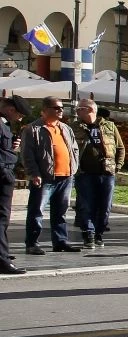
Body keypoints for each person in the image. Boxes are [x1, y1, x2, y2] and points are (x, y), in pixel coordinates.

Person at [20, 96, 81, 255]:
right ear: (45, 110)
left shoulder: (66, 128)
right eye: (56, 108)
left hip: (66, 177)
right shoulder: (33, 129)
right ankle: (32, 243)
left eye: (61, 107)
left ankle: (60, 241)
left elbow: (74, 149)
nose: (60, 110)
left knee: (61, 211)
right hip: (45, 178)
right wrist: (33, 173)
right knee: (37, 211)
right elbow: (27, 154)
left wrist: (73, 168)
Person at [70, 98, 123, 248]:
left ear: (91, 109)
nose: (77, 111)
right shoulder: (73, 127)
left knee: (105, 206)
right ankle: (89, 234)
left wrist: (117, 166)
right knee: (86, 205)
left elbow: (120, 148)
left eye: (81, 108)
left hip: (107, 173)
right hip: (84, 173)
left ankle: (99, 233)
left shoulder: (109, 126)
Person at [0, 97, 30, 274]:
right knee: (1, 218)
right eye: (19, 114)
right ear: (10, 109)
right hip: (2, 175)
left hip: (5, 172)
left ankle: (2, 255)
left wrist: (11, 148)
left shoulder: (5, 125)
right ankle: (2, 260)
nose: (20, 118)